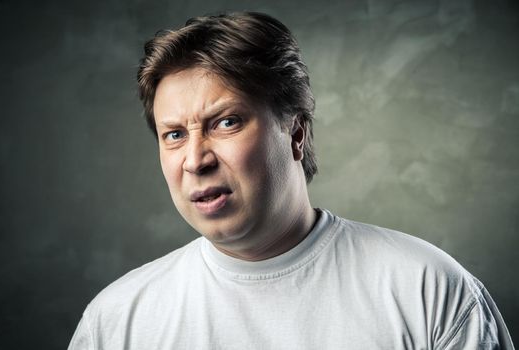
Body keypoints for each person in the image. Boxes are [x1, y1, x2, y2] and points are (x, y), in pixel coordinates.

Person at [68, 12, 514, 349]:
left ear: (295, 133)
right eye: (175, 135)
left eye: (225, 123)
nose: (195, 159)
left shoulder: (428, 290)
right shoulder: (116, 323)